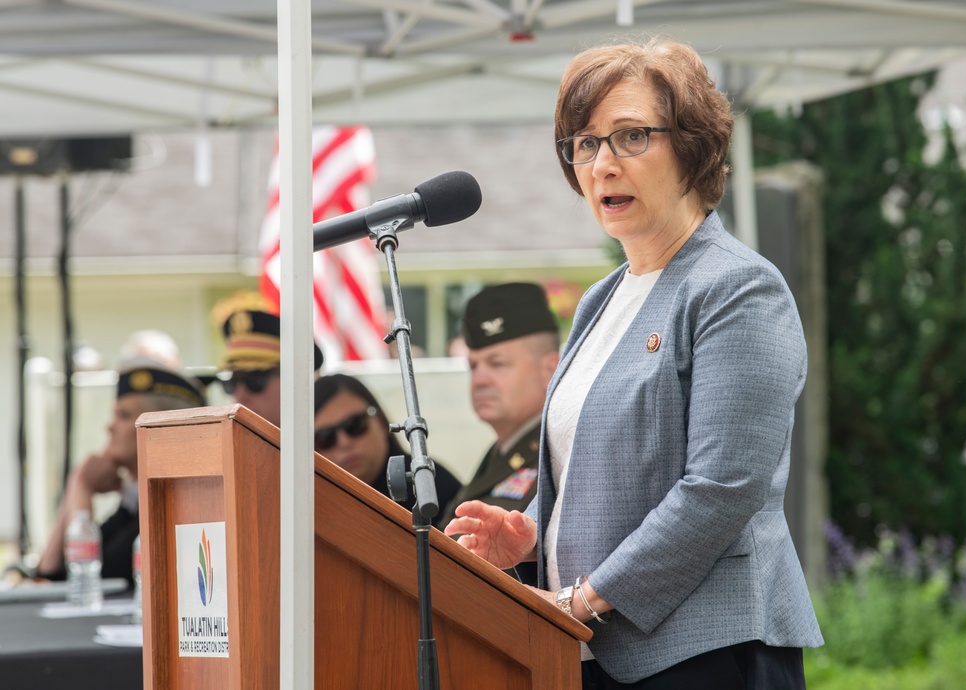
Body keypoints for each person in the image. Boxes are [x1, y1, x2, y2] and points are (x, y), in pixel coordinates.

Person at [445, 37, 823, 688]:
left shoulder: (737, 288)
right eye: (585, 144)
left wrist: (580, 601)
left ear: (693, 146)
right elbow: (602, 473)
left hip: (705, 654)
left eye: (631, 137)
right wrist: (531, 533)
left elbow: (721, 490)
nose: (603, 164)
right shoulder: (601, 299)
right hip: (595, 654)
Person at [36, 358, 206, 583]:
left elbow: (90, 581)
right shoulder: (131, 505)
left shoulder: (171, 505)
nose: (110, 426)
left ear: (161, 429)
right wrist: (76, 484)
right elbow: (49, 571)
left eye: (124, 416)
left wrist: (82, 487)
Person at [438, 283, 560, 526]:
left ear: (551, 370)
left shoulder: (560, 457)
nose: (480, 380)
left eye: (498, 364)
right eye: (473, 366)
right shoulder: (502, 452)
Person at [313, 373, 461, 529]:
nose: (344, 442)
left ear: (382, 422)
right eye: (325, 437)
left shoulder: (429, 485)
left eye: (354, 425)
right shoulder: (311, 508)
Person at [218, 308, 324, 427]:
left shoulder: (329, 440)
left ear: (295, 382)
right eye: (231, 383)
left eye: (255, 380)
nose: (240, 395)